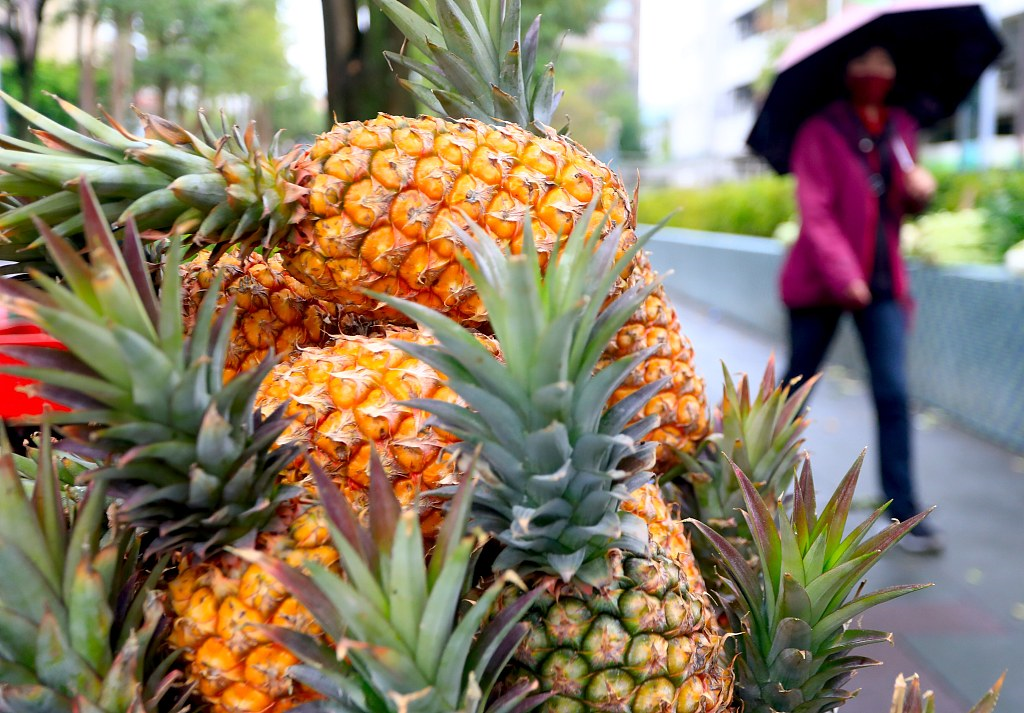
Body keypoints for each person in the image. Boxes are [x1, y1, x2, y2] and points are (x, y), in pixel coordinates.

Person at [780, 45, 943, 554]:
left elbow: (899, 202)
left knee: (893, 393)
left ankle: (904, 512)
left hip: (883, 283)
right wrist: (844, 274)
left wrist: (920, 192)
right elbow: (816, 211)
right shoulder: (820, 131)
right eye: (864, 60)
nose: (876, 70)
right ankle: (758, 494)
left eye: (885, 61)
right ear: (845, 68)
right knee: (795, 389)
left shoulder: (901, 128)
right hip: (821, 282)